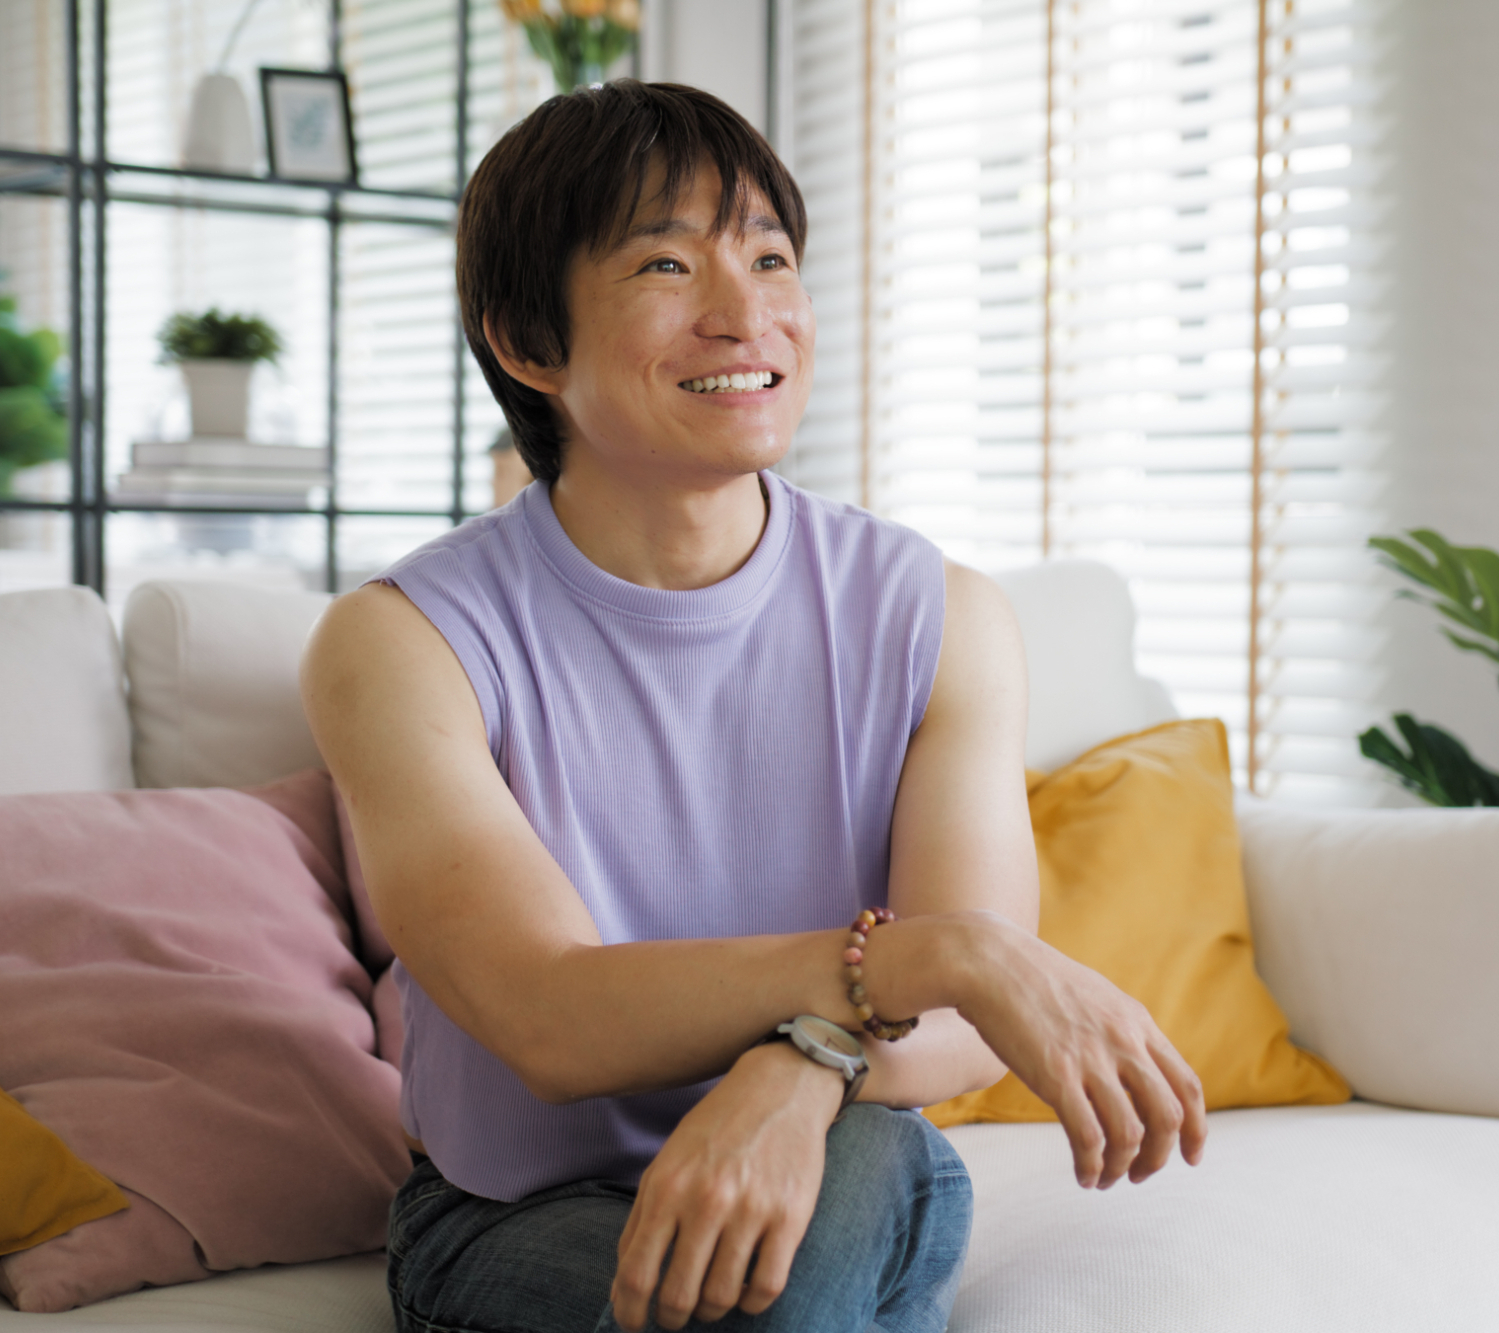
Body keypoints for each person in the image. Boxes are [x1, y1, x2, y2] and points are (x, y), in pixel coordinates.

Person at [300, 81, 1206, 1333]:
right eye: (668, 264)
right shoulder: (403, 641)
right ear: (527, 341)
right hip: (522, 1215)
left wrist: (803, 1063)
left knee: (847, 1206)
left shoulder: (939, 614)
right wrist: (937, 951)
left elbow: (963, 1033)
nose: (746, 313)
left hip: (845, 1147)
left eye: (771, 259)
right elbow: (548, 1016)